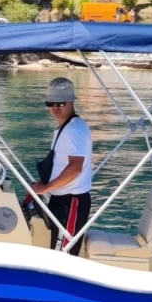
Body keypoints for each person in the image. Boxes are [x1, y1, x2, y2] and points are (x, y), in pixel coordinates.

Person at [30, 77, 93, 256]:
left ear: (71, 102)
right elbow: (60, 164)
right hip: (62, 200)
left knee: (62, 256)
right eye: (51, 103)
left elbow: (75, 168)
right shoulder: (64, 127)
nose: (55, 108)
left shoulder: (74, 130)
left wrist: (46, 188)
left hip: (71, 202)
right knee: (57, 252)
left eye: (60, 103)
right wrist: (39, 185)